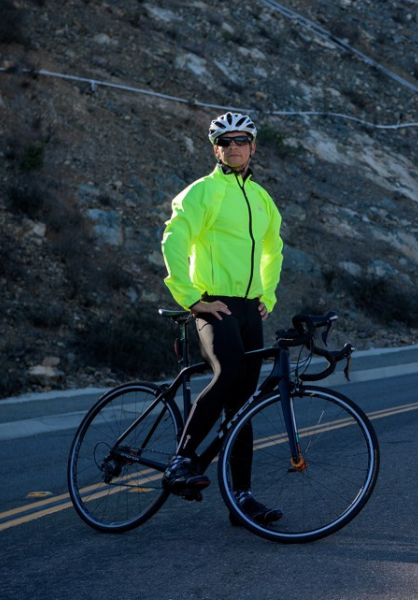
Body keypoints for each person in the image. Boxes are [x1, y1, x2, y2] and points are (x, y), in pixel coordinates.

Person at [160, 112, 284, 524]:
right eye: (225, 141)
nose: (233, 147)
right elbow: (174, 238)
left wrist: (267, 294)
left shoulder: (262, 198)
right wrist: (191, 298)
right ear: (216, 148)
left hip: (250, 308)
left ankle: (241, 499)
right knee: (229, 371)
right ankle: (181, 459)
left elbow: (273, 249)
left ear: (252, 147)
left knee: (242, 406)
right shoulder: (203, 192)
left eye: (241, 140)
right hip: (214, 304)